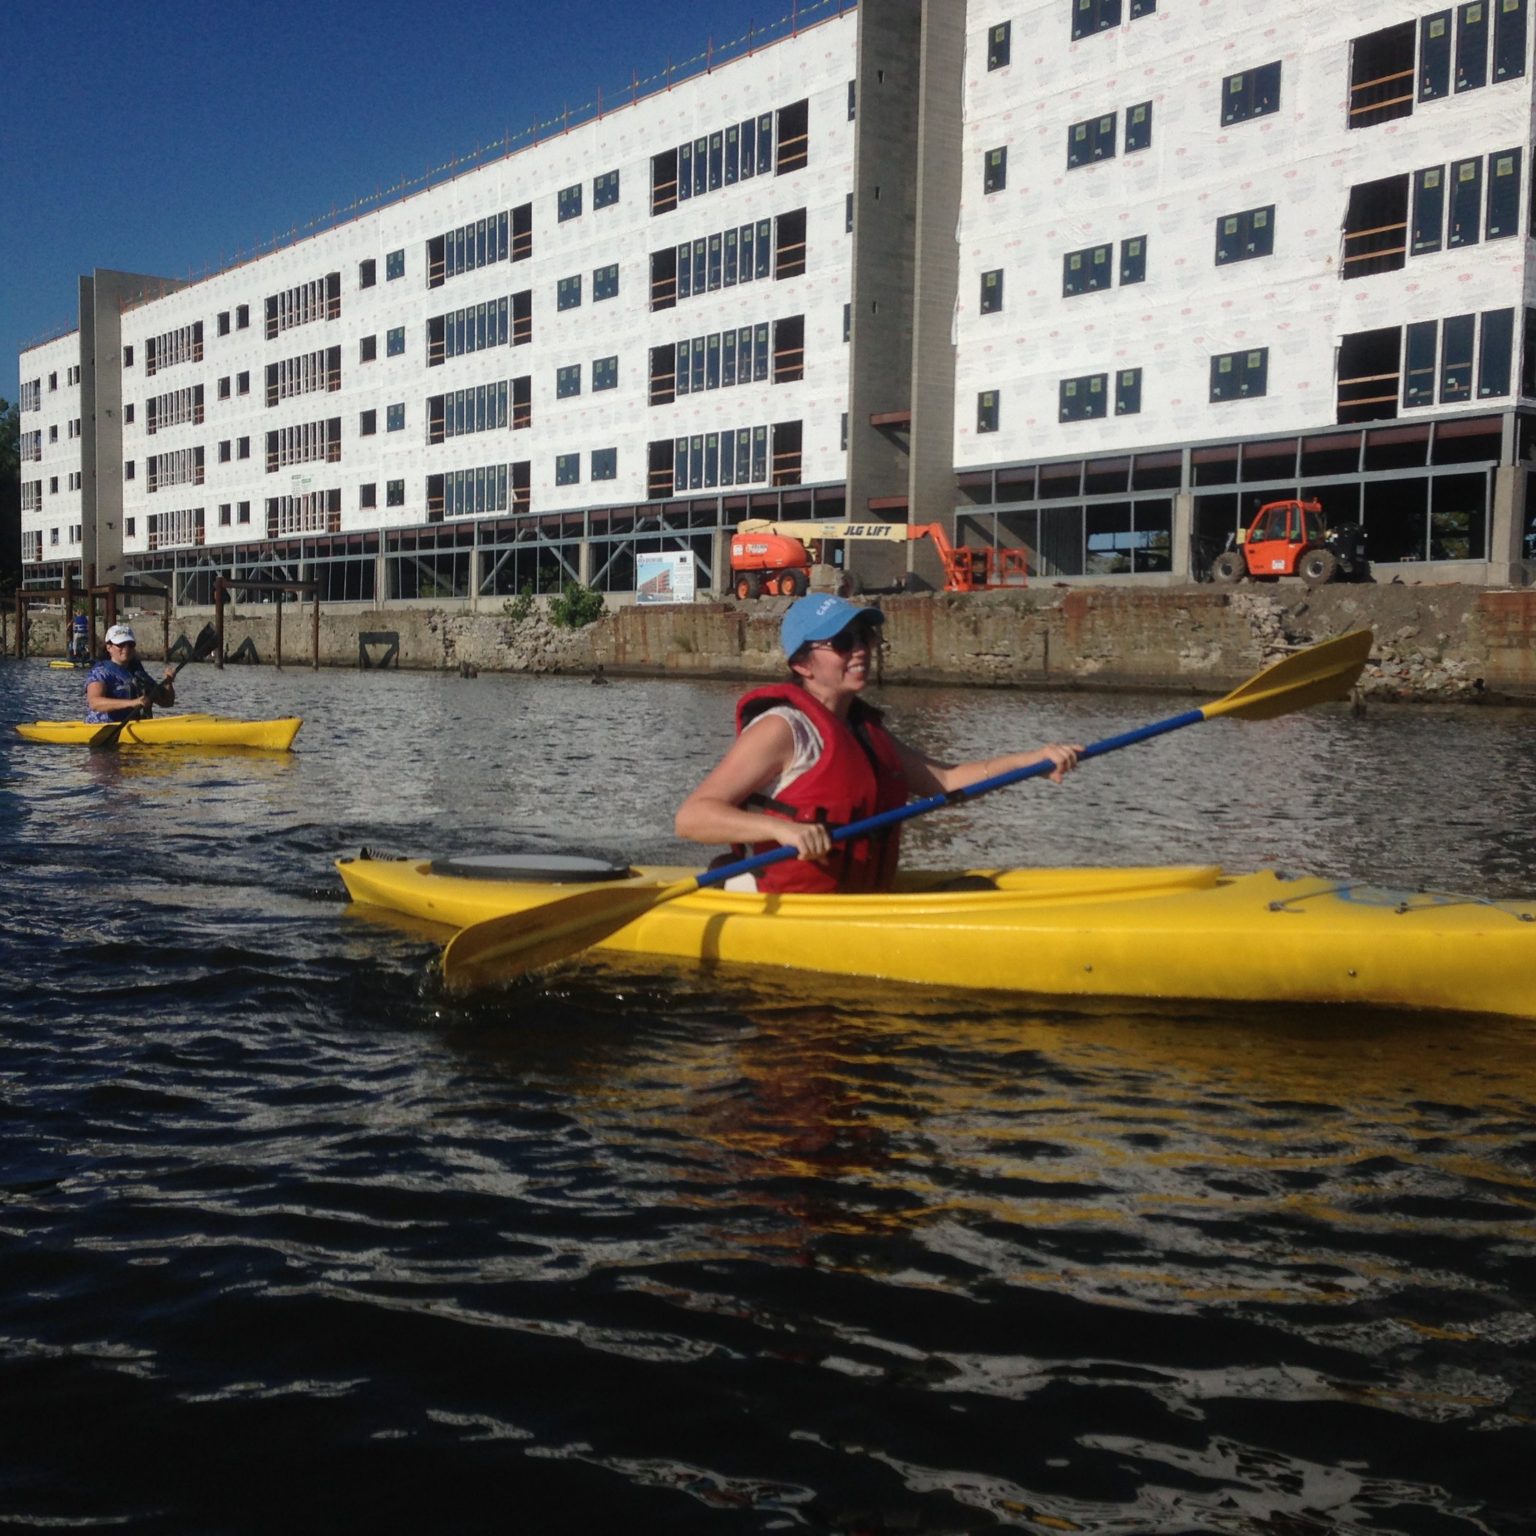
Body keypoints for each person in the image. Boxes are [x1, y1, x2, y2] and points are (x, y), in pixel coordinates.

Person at [675, 593, 1083, 893]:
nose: (861, 651)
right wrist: (783, 830)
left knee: (976, 888)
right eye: (841, 643)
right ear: (802, 664)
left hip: (856, 900)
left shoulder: (864, 731)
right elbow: (692, 817)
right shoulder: (783, 728)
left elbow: (944, 779)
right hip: (784, 903)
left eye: (864, 637)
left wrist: (1035, 760)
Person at [84, 624, 176, 723]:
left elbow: (167, 702)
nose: (126, 648)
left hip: (137, 726)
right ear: (109, 647)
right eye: (121, 644)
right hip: (104, 727)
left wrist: (168, 682)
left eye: (130, 644)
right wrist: (132, 703)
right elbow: (94, 703)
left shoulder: (139, 673)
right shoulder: (100, 672)